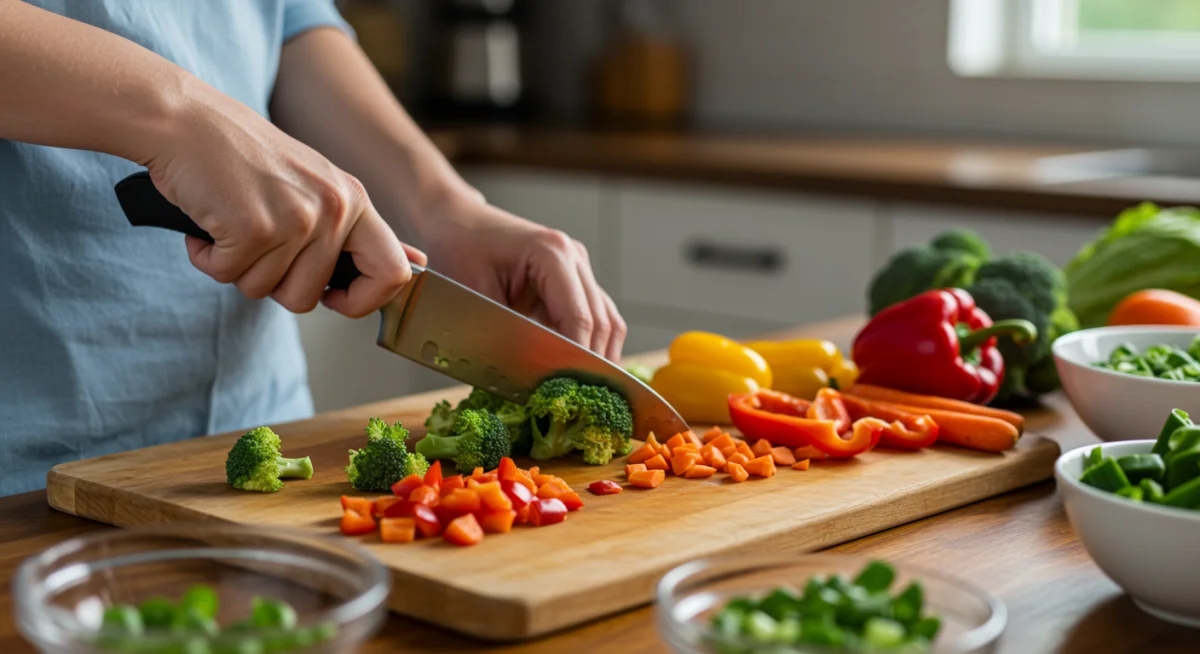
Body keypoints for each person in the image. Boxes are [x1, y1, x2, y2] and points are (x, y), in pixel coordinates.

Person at [0, 0, 626, 497]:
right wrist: (178, 117)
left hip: (256, 437)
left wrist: (444, 209)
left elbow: (289, 21)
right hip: (29, 472)